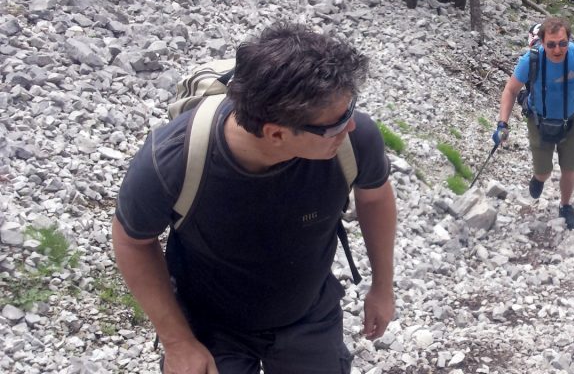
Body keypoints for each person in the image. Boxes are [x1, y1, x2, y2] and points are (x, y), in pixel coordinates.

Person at [112, 22, 397, 374]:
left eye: (350, 110)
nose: (350, 126)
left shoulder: (355, 141)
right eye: (336, 123)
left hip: (308, 312)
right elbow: (132, 242)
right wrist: (178, 342)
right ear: (276, 133)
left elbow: (374, 198)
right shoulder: (171, 161)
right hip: (210, 324)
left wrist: (383, 287)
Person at [493, 17, 574, 230]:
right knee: (544, 171)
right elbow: (510, 90)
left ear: (569, 40)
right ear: (542, 42)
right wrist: (502, 123)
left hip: (572, 119)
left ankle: (565, 206)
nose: (558, 49)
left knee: (570, 167)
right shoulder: (531, 60)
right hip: (539, 120)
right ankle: (539, 178)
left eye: (562, 43)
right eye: (551, 44)